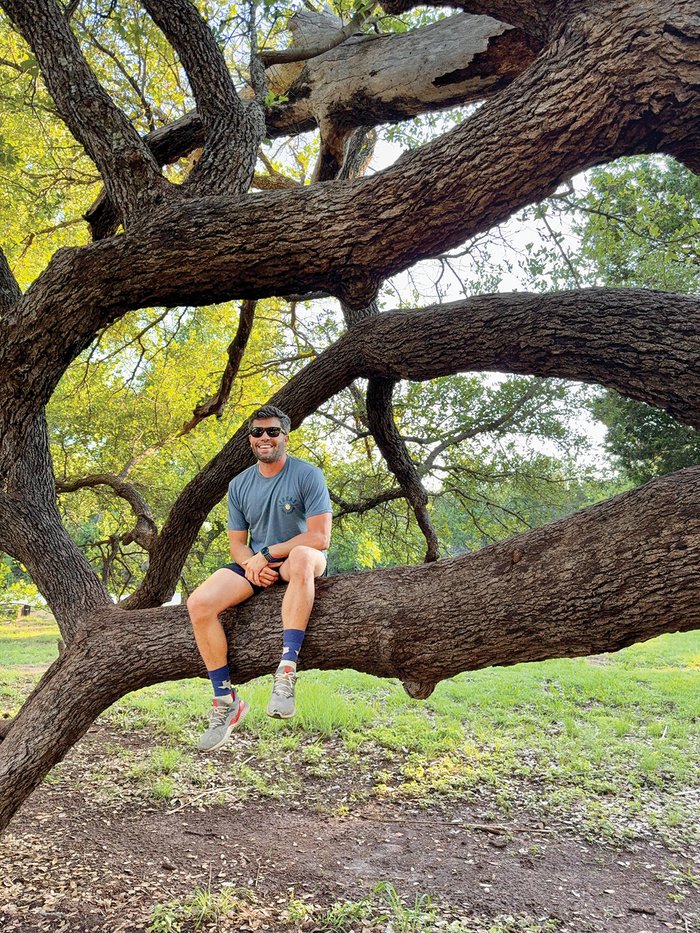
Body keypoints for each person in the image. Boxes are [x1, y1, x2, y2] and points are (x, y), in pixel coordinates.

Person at [187, 405, 332, 751]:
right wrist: (253, 563)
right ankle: (225, 701)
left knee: (298, 557)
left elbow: (319, 537)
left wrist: (268, 553)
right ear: (250, 439)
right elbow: (237, 543)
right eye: (257, 432)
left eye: (271, 431)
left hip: (301, 559)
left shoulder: (307, 475)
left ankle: (286, 671)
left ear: (285, 436)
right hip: (260, 564)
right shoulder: (238, 484)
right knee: (199, 603)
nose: (264, 438)